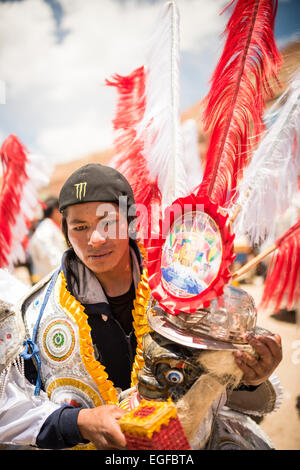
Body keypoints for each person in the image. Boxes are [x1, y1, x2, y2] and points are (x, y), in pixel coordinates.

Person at [17, 163, 282, 450]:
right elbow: (20, 408)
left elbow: (217, 381)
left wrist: (252, 377)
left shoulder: (184, 285)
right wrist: (78, 422)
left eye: (108, 222)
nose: (95, 239)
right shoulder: (37, 313)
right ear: (66, 231)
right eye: (80, 227)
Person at [28, 196, 68, 282]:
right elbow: (53, 260)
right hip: (56, 281)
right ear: (55, 211)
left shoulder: (50, 228)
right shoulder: (45, 231)